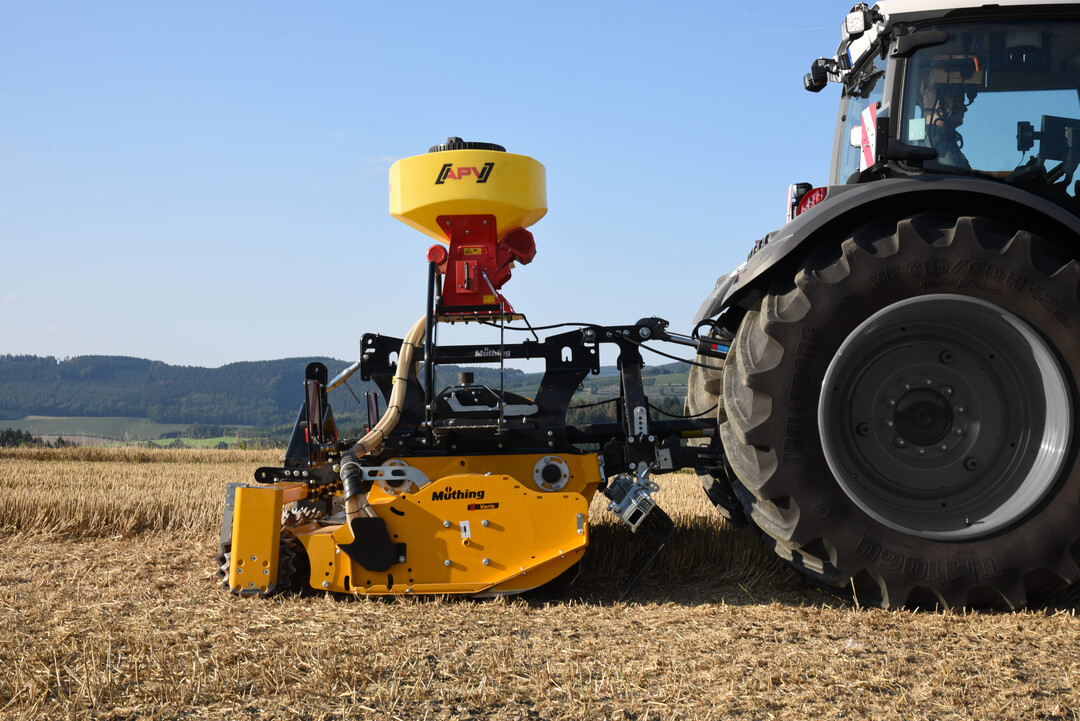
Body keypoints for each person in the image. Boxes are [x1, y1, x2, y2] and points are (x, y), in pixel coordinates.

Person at [924, 82, 972, 169]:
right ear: (941, 105)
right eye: (961, 103)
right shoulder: (940, 143)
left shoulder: (929, 139)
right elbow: (956, 179)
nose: (965, 109)